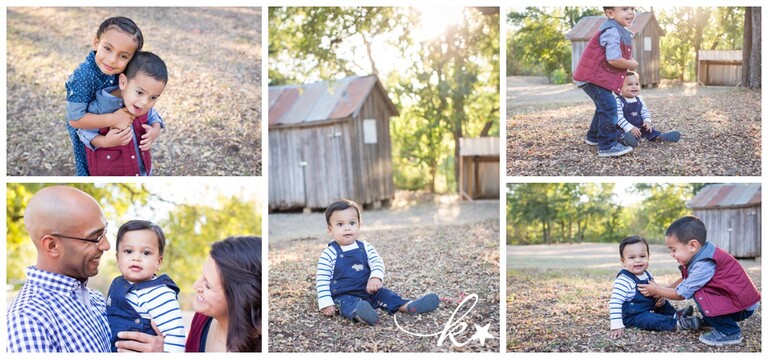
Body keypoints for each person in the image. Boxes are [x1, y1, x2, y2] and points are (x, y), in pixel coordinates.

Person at [6, 186, 163, 352]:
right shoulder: (29, 320)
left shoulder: (98, 300)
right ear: (52, 246)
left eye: (104, 232)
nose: (106, 245)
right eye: (94, 238)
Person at [638, 216, 761, 346]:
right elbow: (685, 280)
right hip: (737, 301)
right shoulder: (701, 256)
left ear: (692, 245)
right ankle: (713, 320)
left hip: (741, 307)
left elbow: (682, 293)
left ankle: (729, 332)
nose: (672, 254)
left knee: (700, 293)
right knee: (700, 289)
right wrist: (663, 290)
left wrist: (658, 290)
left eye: (674, 250)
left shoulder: (704, 263)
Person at [316, 199, 440, 325]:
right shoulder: (329, 254)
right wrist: (326, 303)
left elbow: (377, 262)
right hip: (344, 294)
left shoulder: (365, 247)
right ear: (330, 230)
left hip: (369, 290)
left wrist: (375, 277)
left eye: (352, 223)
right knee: (348, 304)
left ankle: (408, 306)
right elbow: (322, 279)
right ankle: (362, 314)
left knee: (386, 295)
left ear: (359, 225)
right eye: (340, 224)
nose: (347, 228)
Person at [65, 16, 144, 176]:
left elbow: (144, 95)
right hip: (89, 132)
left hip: (118, 131)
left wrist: (155, 126)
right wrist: (113, 119)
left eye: (123, 56)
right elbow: (75, 120)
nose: (112, 60)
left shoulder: (126, 71)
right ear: (96, 43)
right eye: (107, 48)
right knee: (90, 166)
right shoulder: (83, 75)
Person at [78, 51, 167, 176]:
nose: (144, 103)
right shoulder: (100, 107)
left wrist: (155, 130)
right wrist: (104, 141)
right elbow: (83, 131)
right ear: (123, 82)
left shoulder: (142, 106)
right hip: (111, 174)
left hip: (141, 170)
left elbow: (153, 116)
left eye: (153, 97)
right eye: (140, 93)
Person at [106, 220, 184, 352]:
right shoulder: (117, 285)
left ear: (158, 262)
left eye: (146, 253)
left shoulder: (160, 293)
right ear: (118, 259)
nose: (136, 257)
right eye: (129, 251)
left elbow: (175, 335)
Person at [573, 6, 638, 157]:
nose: (631, 12)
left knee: (603, 106)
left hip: (595, 77)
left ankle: (593, 137)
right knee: (609, 107)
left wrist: (628, 62)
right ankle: (607, 145)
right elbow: (613, 59)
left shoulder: (618, 29)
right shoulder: (612, 30)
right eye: (624, 8)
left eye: (633, 8)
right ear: (610, 13)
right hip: (592, 77)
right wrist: (631, 64)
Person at [608, 236, 700, 339]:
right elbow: (615, 302)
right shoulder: (623, 280)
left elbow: (655, 291)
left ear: (648, 256)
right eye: (632, 257)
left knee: (663, 303)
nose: (638, 261)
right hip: (634, 316)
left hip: (649, 307)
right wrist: (616, 325)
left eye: (642, 256)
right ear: (623, 261)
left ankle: (675, 314)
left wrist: (658, 298)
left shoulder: (647, 274)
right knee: (652, 319)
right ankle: (678, 324)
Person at [186, 236, 262, 352]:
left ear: (238, 298)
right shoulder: (201, 318)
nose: (195, 286)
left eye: (208, 285)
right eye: (202, 276)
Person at [616, 72, 680, 145]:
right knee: (618, 134)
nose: (634, 86)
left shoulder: (639, 99)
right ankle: (627, 140)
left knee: (649, 130)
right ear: (620, 88)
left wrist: (647, 121)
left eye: (637, 84)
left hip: (640, 127)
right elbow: (619, 117)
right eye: (630, 84)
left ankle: (660, 137)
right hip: (625, 129)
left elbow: (645, 112)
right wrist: (630, 128)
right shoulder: (619, 101)